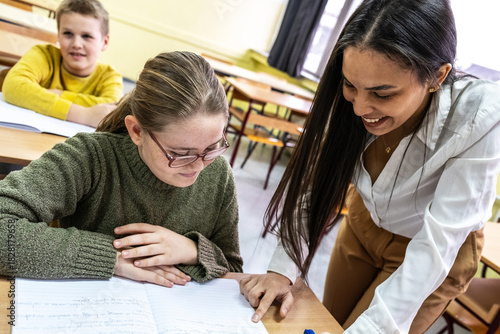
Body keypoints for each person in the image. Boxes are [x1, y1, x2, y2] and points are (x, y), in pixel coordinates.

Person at [238, 0, 500, 333]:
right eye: (351, 87)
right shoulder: (353, 88)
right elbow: (319, 183)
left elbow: (436, 246)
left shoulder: (481, 115)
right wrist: (280, 270)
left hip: (431, 249)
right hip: (364, 224)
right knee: (326, 321)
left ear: (437, 75)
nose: (361, 107)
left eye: (382, 93)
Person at [0, 51, 243, 287]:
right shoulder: (90, 157)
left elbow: (232, 270)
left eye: (212, 148)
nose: (199, 164)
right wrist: (111, 257)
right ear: (137, 131)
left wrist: (193, 251)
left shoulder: (219, 174)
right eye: (180, 154)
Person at [2, 0, 123, 128]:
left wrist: (59, 94)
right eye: (68, 34)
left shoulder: (110, 76)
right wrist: (83, 114)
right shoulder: (43, 55)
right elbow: (12, 86)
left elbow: (110, 107)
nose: (76, 44)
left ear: (104, 42)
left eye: (86, 36)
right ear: (58, 36)